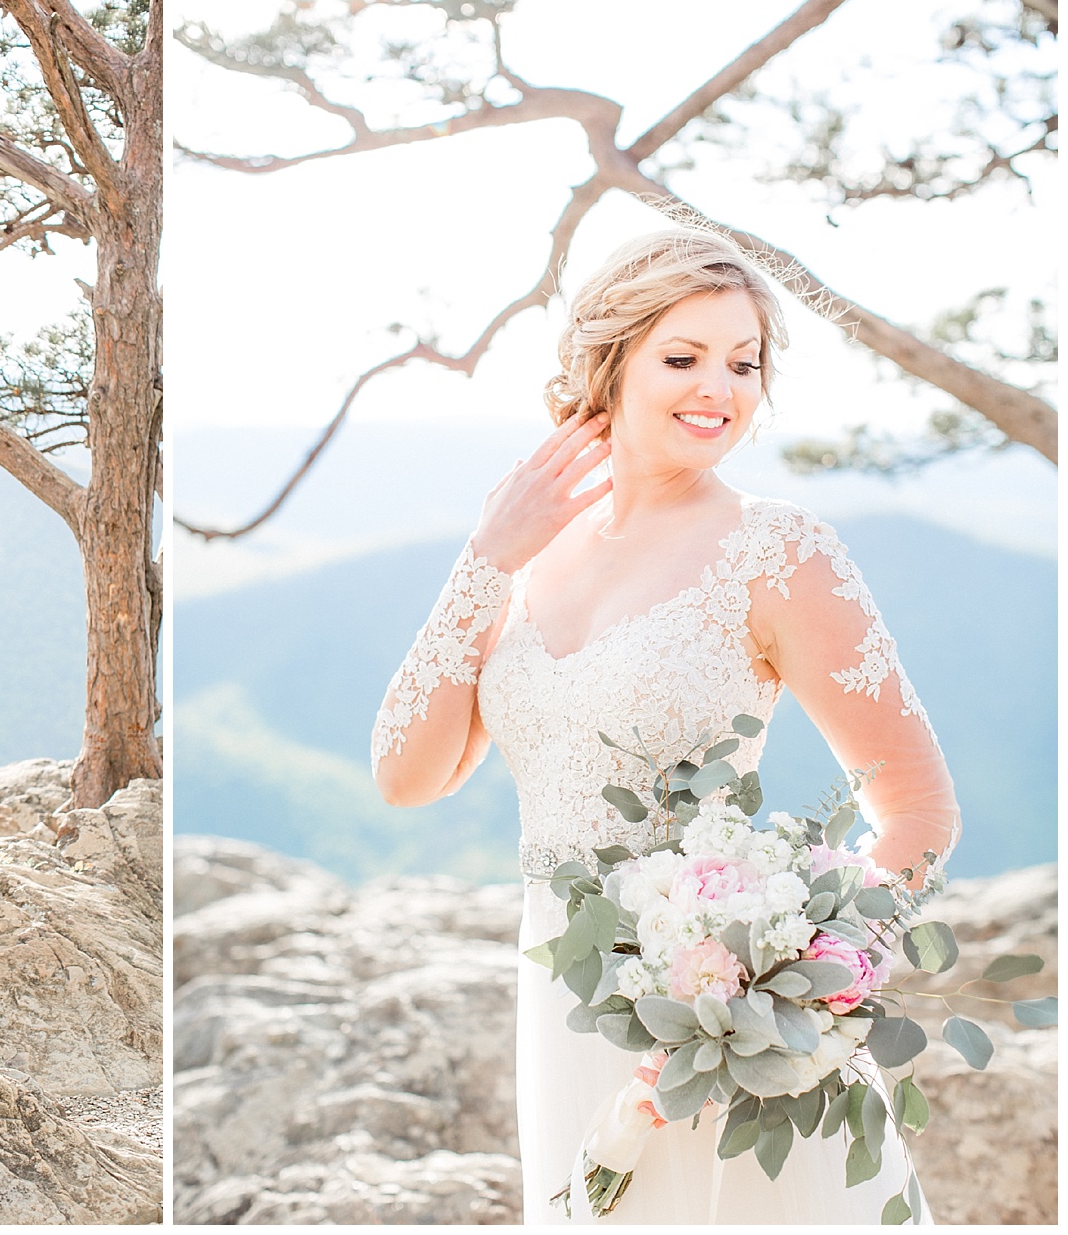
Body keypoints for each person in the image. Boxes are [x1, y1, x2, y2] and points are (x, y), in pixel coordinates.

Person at [370, 230, 961, 1223]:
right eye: (683, 357)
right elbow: (406, 775)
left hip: (718, 1020)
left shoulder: (779, 551)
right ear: (610, 360)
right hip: (562, 995)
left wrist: (795, 985)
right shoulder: (530, 552)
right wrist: (484, 559)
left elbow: (917, 806)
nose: (718, 387)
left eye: (744, 362)